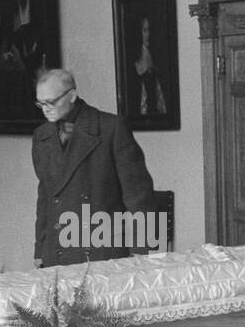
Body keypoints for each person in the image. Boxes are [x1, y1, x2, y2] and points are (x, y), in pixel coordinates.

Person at [32, 68, 156, 268]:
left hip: (103, 249)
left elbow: (138, 196)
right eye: (40, 103)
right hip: (57, 251)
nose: (45, 108)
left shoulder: (111, 128)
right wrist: (40, 250)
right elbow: (46, 197)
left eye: (51, 102)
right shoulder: (41, 135)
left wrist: (140, 251)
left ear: (71, 95)